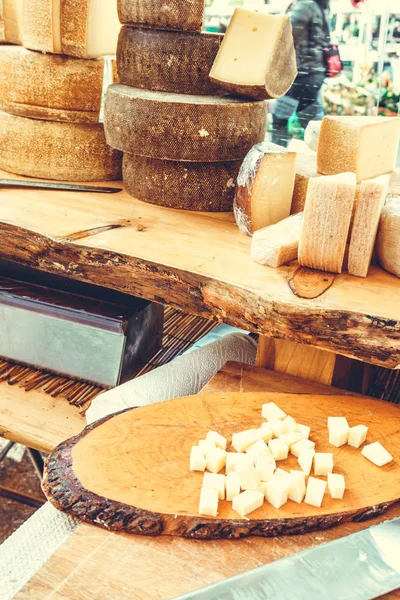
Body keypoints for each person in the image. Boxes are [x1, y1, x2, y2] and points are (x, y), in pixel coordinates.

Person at [272, 0, 331, 147]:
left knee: (281, 119)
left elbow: (285, 31)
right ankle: (327, 154)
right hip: (311, 74)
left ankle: (277, 158)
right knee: (312, 121)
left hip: (301, 75)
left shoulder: (305, 4)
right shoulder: (317, 6)